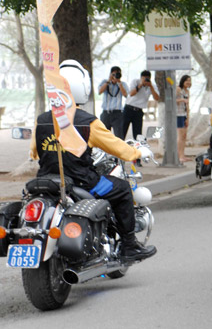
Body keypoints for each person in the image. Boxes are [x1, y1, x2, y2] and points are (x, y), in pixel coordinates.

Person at [30, 60, 156, 262]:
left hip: (47, 180)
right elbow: (119, 148)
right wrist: (137, 153)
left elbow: (35, 153)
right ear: (82, 87)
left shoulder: (42, 120)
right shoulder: (87, 122)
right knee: (122, 188)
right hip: (83, 182)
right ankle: (129, 246)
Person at [122, 70, 160, 140]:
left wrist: (151, 86)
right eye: (144, 78)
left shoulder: (152, 85)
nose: (145, 81)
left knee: (138, 135)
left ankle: (139, 146)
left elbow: (157, 98)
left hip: (138, 111)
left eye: (147, 79)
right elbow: (131, 94)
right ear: (141, 78)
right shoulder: (135, 82)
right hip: (128, 109)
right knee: (122, 132)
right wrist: (140, 85)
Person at [98, 66, 128, 138]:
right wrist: (108, 81)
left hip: (118, 113)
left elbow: (125, 95)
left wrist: (119, 83)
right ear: (110, 74)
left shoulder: (122, 84)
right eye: (114, 74)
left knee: (119, 136)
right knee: (104, 136)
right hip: (106, 113)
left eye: (117, 74)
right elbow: (100, 92)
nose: (115, 76)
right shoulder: (105, 82)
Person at [176, 75, 192, 162]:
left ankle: (183, 155)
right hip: (178, 114)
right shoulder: (178, 89)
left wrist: (187, 118)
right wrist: (182, 100)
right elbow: (173, 100)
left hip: (184, 115)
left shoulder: (187, 91)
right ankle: (179, 156)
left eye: (190, 81)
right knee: (180, 135)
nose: (188, 82)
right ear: (183, 81)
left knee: (184, 136)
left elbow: (187, 105)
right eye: (187, 80)